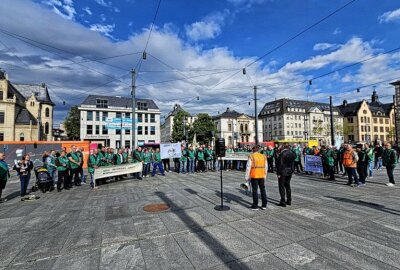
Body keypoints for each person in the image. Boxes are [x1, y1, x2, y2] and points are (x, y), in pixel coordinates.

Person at [245, 145, 268, 210]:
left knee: (255, 191)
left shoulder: (251, 156)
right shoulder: (263, 156)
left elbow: (248, 167)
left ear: (253, 150)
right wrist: (265, 175)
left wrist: (246, 176)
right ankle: (264, 205)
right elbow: (266, 167)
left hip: (254, 175)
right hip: (261, 175)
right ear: (258, 150)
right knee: (263, 190)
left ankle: (255, 206)